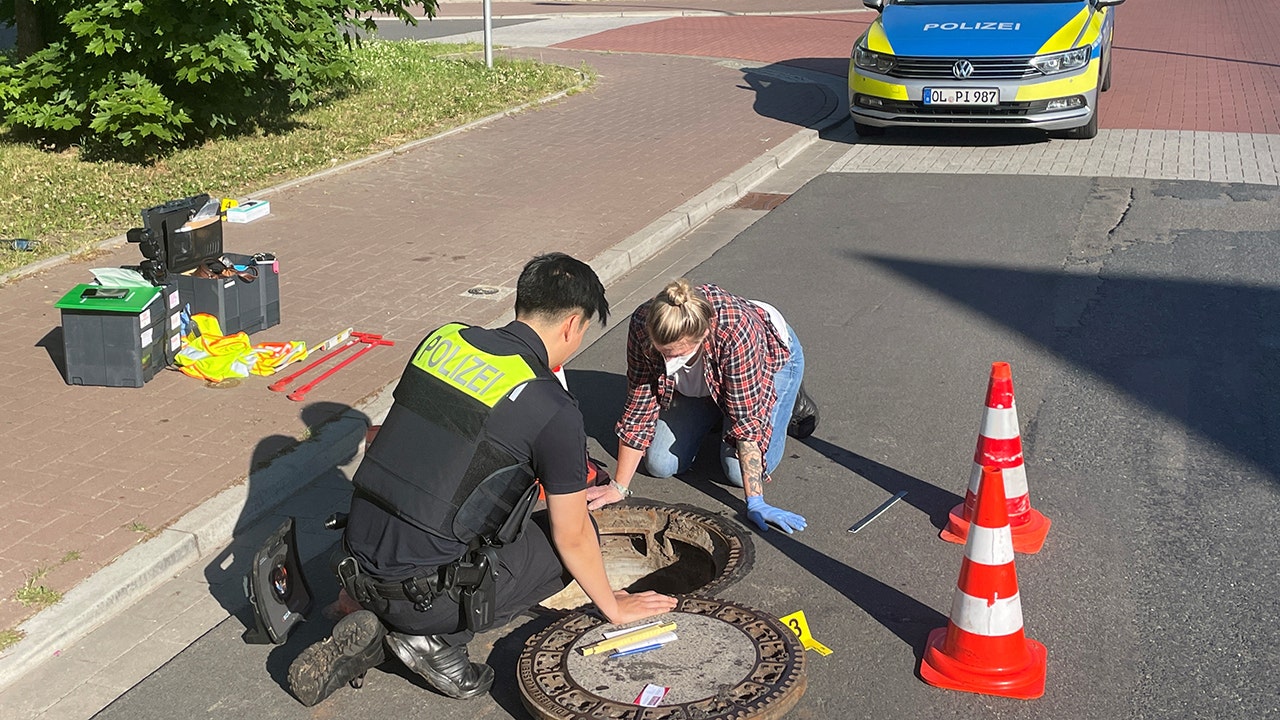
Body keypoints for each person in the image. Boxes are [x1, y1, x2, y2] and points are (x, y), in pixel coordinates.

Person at [288, 253, 678, 707]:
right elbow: (571, 534)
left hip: (354, 562)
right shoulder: (552, 407)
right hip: (423, 596)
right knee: (575, 535)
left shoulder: (443, 340)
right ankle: (432, 638)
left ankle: (368, 609)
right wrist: (614, 605)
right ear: (573, 324)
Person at [587, 279, 818, 533]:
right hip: (705, 375)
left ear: (704, 334)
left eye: (677, 354)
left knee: (736, 473)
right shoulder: (644, 322)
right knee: (660, 464)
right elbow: (640, 405)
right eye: (663, 352)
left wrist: (756, 501)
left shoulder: (736, 331)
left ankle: (787, 396)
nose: (668, 361)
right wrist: (618, 487)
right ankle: (719, 402)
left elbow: (747, 423)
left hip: (766, 356)